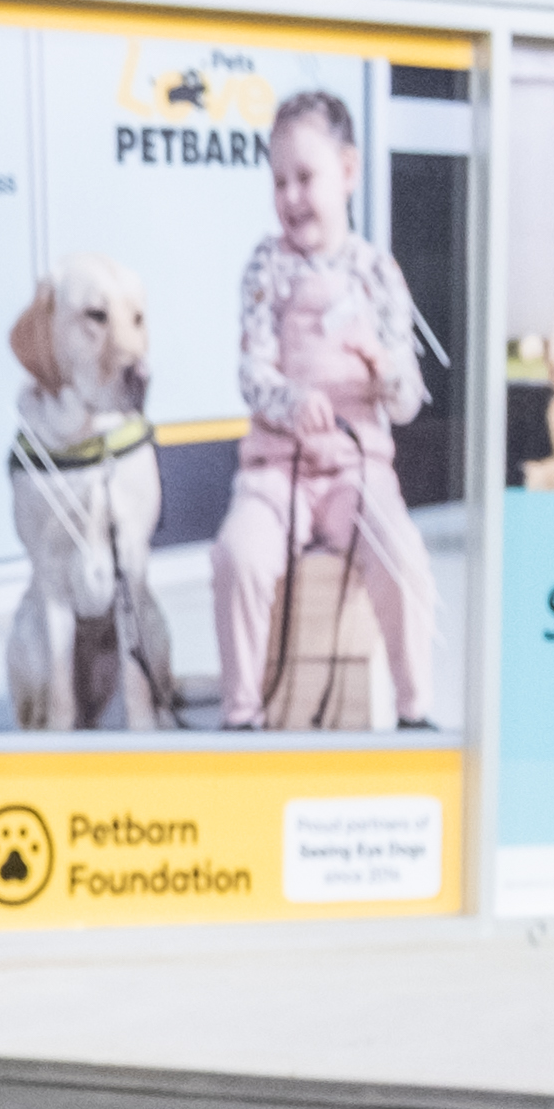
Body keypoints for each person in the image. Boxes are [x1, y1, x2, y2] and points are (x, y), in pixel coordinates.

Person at [201, 91, 440, 730]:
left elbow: (409, 399)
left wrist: (383, 368)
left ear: (349, 171)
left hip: (355, 470)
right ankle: (242, 713)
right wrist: (290, 400)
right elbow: (251, 370)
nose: (292, 197)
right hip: (277, 469)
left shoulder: (376, 271)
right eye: (279, 181)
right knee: (238, 556)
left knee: (401, 554)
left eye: (305, 177)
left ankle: (415, 711)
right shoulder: (266, 265)